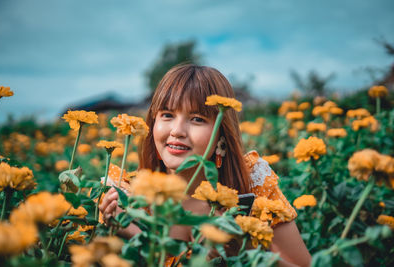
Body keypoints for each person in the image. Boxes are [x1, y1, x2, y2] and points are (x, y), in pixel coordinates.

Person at [100, 64, 311, 267]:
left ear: (222, 133)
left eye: (197, 119)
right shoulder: (125, 198)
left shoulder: (253, 182)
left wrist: (243, 253)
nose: (177, 130)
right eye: (167, 115)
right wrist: (129, 228)